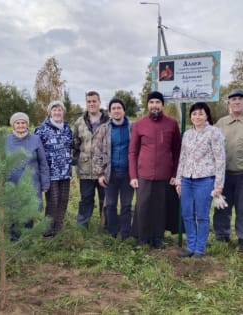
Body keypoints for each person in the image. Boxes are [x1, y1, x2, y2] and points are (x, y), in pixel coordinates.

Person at [129, 91, 181, 249]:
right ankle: (142, 238)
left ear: (163, 105)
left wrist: (174, 174)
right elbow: (132, 152)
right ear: (147, 105)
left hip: (164, 174)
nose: (154, 105)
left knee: (160, 207)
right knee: (143, 206)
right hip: (143, 173)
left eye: (158, 102)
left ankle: (158, 238)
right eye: (151, 103)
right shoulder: (139, 124)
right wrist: (133, 175)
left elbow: (178, 151)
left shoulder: (172, 124)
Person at [213, 88, 243, 252]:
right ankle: (221, 235)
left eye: (240, 99)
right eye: (233, 99)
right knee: (222, 206)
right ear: (229, 103)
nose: (237, 102)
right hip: (224, 173)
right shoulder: (221, 122)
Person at [176, 102, 225, 258]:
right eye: (194, 114)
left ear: (206, 116)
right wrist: (178, 180)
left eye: (201, 114)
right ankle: (190, 246)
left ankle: (199, 248)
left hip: (205, 180)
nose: (197, 117)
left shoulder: (214, 133)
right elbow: (182, 158)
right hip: (186, 179)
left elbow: (220, 159)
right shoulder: (187, 134)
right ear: (190, 116)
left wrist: (218, 185)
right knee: (187, 214)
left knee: (202, 215)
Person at [94, 98, 133, 240]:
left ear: (124, 110)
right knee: (110, 204)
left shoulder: (132, 127)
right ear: (110, 112)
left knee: (127, 205)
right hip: (110, 173)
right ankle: (112, 232)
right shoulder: (104, 129)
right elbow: (97, 152)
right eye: (113, 109)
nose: (116, 111)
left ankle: (125, 233)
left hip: (128, 173)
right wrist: (100, 173)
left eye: (119, 108)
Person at [35, 101, 73, 237]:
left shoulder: (68, 128)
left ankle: (58, 228)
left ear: (63, 112)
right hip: (50, 173)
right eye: (54, 110)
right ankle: (47, 231)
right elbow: (37, 152)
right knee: (53, 201)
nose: (57, 112)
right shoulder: (41, 129)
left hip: (65, 172)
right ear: (50, 112)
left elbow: (70, 146)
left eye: (60, 110)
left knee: (63, 200)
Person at [73, 91, 109, 229]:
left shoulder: (108, 121)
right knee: (86, 199)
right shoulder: (79, 122)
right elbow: (75, 144)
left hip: (104, 169)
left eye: (94, 101)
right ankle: (82, 226)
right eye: (89, 101)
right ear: (86, 103)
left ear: (99, 102)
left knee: (105, 199)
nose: (91, 104)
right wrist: (77, 163)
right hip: (85, 169)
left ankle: (106, 226)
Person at [7, 112, 50, 210]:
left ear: (27, 124)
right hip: (12, 184)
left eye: (23, 123)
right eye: (18, 123)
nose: (21, 125)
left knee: (29, 214)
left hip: (32, 182)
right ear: (13, 125)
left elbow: (43, 163)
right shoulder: (6, 141)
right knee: (13, 214)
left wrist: (45, 183)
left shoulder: (35, 139)